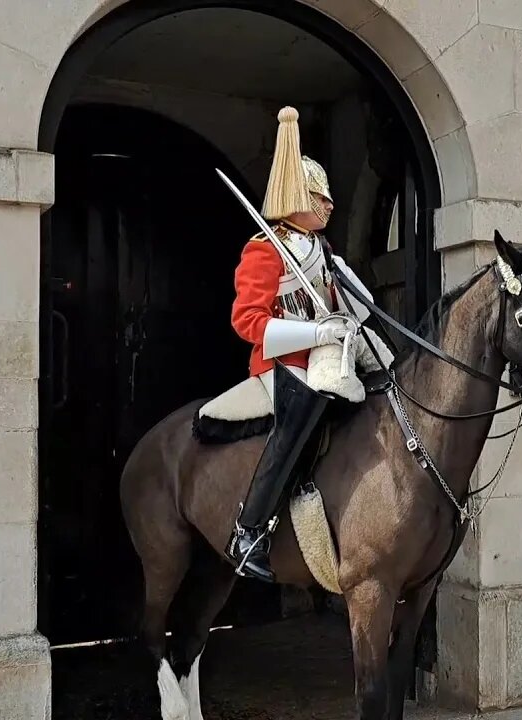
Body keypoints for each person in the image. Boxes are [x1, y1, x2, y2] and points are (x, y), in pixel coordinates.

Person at [223, 106, 377, 583]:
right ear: (295, 197)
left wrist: (350, 300)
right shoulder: (264, 249)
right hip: (281, 363)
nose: (330, 205)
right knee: (301, 413)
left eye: (329, 198)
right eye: (319, 196)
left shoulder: (322, 251)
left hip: (325, 356)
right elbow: (248, 322)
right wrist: (317, 333)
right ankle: (249, 532)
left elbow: (364, 304)